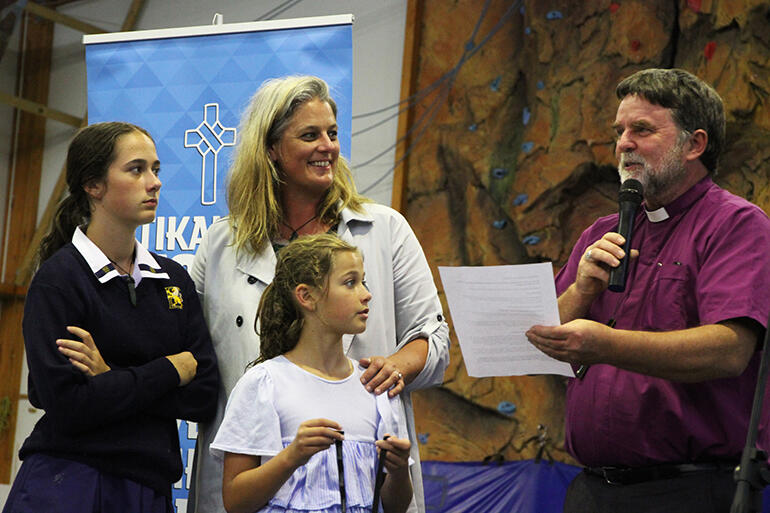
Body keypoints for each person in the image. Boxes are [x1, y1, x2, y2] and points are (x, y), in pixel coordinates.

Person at [188, 75, 449, 513]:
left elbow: (434, 338)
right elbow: (187, 348)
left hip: (363, 482)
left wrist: (394, 367)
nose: (327, 146)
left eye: (332, 133)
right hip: (248, 486)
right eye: (309, 135)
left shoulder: (384, 230)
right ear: (270, 148)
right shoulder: (220, 245)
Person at [525, 68, 770, 512]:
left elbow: (730, 350)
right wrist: (581, 290)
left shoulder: (737, 225)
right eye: (619, 131)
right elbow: (544, 339)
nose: (623, 144)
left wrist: (605, 344)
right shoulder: (601, 232)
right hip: (591, 490)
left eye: (641, 129)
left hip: (689, 491)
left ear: (695, 144)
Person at [2, 122, 219, 513]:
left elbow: (203, 395)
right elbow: (68, 405)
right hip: (70, 482)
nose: (153, 183)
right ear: (93, 185)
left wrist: (108, 376)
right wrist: (170, 369)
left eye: (156, 169)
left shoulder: (173, 279)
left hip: (150, 489)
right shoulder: (59, 280)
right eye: (136, 169)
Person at [212, 233, 413, 513]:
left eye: (363, 282)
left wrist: (400, 469)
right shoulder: (264, 383)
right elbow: (235, 500)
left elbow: (395, 506)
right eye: (350, 282)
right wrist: (292, 456)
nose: (366, 294)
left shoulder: (376, 386)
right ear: (307, 296)